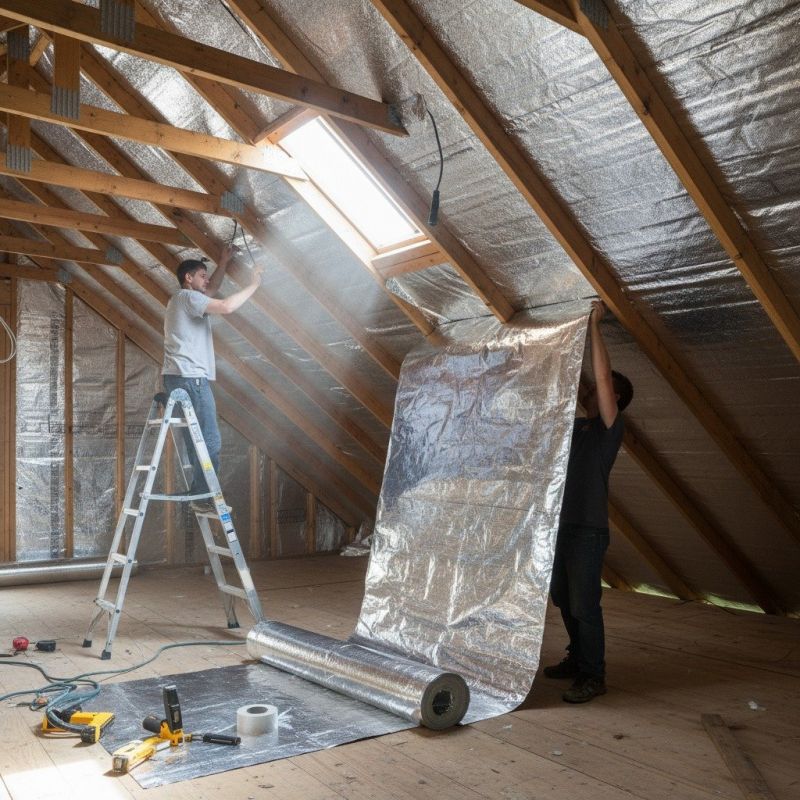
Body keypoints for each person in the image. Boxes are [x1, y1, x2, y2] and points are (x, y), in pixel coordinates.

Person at [544, 299, 633, 703]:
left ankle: (593, 676)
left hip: (587, 532)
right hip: (560, 529)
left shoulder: (608, 431)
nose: (591, 391)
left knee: (584, 605)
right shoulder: (578, 429)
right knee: (563, 597)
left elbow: (599, 375)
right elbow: (574, 378)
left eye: (601, 389)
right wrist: (568, 334)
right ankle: (578, 658)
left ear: (612, 397)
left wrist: (594, 327)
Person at [162, 246, 263, 513]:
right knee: (210, 439)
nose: (207, 281)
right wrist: (253, 284)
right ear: (188, 279)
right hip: (192, 379)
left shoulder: (182, 299)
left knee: (196, 441)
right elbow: (227, 306)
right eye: (202, 276)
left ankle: (200, 494)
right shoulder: (189, 298)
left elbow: (212, 290)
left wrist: (223, 261)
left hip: (176, 378)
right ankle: (205, 497)